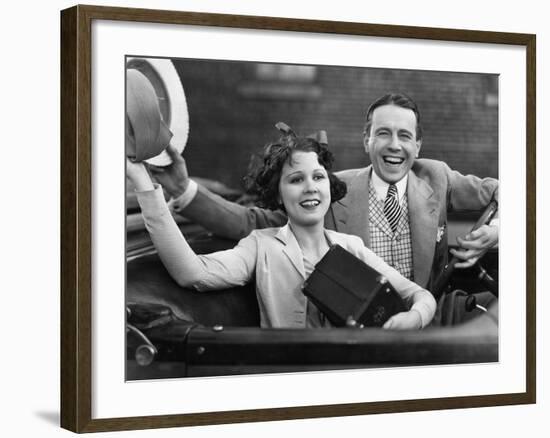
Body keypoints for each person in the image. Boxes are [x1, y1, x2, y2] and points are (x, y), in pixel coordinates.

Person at [152, 94, 498, 311]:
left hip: (426, 324)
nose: (395, 145)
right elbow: (251, 222)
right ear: (366, 140)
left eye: (405, 136)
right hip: (353, 327)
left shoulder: (436, 175)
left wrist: (498, 231)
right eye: (383, 133)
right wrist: (183, 190)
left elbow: (508, 191)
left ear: (417, 146)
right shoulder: (331, 190)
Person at [128, 126, 436, 329]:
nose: (310, 188)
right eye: (296, 180)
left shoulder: (351, 246)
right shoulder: (261, 245)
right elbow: (192, 272)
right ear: (278, 194)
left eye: (317, 177)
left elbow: (420, 296)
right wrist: (144, 184)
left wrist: (414, 318)